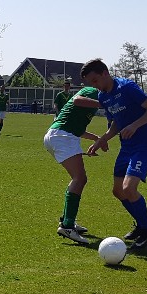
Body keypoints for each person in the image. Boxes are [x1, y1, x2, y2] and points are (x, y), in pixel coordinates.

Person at [84, 59, 147, 250]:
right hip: (126, 146)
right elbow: (116, 123)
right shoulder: (103, 96)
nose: (94, 86)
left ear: (105, 73)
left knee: (128, 188)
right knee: (118, 191)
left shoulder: (127, 88)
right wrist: (102, 140)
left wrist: (135, 125)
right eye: (90, 83)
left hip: (144, 145)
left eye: (95, 80)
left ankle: (146, 232)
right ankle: (140, 225)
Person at [44, 84, 106, 244]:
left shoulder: (92, 103)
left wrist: (96, 138)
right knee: (79, 179)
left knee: (77, 179)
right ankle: (67, 226)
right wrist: (103, 103)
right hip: (62, 137)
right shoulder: (93, 91)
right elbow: (78, 100)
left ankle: (66, 219)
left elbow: (78, 129)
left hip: (62, 135)